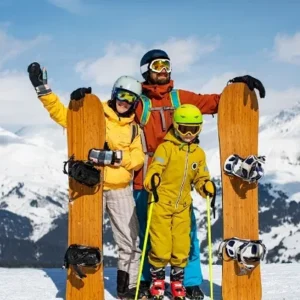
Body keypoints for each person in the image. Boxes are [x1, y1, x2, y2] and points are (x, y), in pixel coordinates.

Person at [67, 48, 266, 299]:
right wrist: (85, 105)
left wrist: (236, 88)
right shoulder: (139, 103)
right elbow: (115, 111)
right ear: (145, 70)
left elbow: (214, 102)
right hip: (146, 178)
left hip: (179, 180)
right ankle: (149, 281)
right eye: (157, 65)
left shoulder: (179, 98)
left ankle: (191, 282)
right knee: (148, 234)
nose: (163, 70)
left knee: (186, 235)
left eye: (166, 65)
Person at [27, 62, 146, 299]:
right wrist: (45, 90)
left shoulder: (134, 129)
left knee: (130, 240)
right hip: (91, 187)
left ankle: (128, 287)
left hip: (120, 189)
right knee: (84, 240)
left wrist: (117, 158)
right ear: (114, 94)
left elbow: (139, 158)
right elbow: (63, 116)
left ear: (135, 103)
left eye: (130, 99)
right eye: (121, 95)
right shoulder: (95, 114)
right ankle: (82, 284)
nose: (124, 102)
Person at [143, 104, 216, 299]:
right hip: (160, 203)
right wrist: (153, 178)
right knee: (160, 245)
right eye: (184, 128)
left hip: (183, 206)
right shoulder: (166, 148)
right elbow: (155, 167)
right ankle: (157, 281)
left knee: (182, 246)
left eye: (194, 129)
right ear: (176, 126)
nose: (189, 133)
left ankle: (177, 283)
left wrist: (205, 186)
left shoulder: (198, 154)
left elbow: (200, 177)